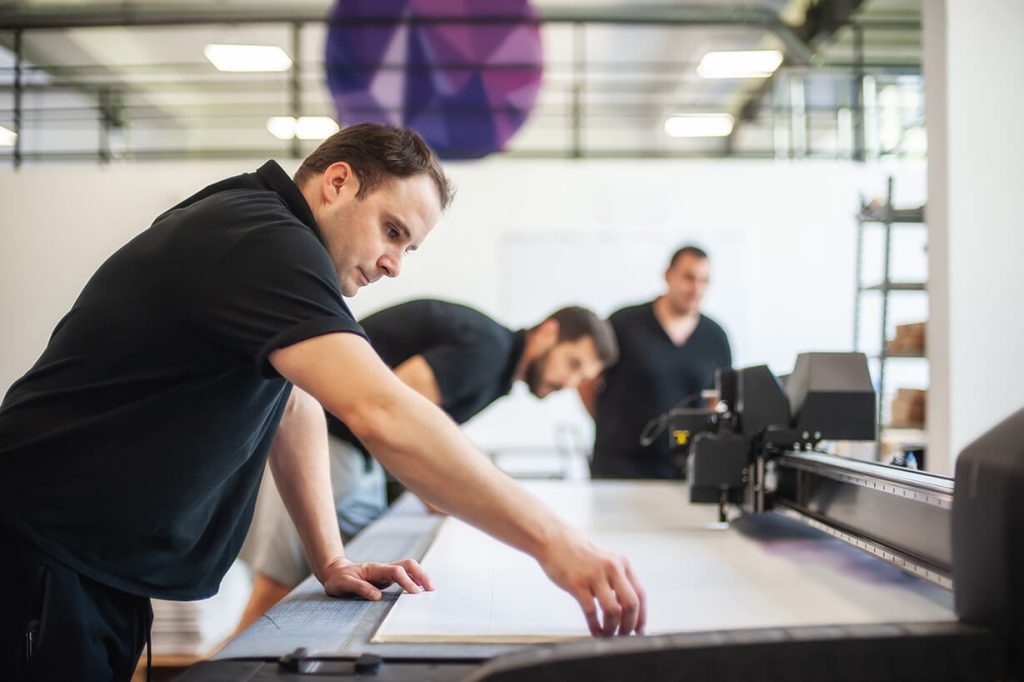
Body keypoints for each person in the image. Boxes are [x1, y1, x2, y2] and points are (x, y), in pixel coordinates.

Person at [0, 124, 645, 680]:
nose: (395, 264)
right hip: (41, 548)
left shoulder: (267, 240)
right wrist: (556, 542)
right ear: (337, 183)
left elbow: (293, 404)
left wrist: (329, 557)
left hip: (89, 561)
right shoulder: (265, 240)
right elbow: (384, 412)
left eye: (409, 249)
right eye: (392, 231)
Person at [238, 299, 619, 628]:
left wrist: (433, 489)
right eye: (573, 364)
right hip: (321, 439)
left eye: (582, 376)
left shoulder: (496, 365)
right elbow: (397, 408)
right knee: (276, 595)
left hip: (351, 452)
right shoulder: (488, 349)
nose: (571, 383)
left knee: (316, 593)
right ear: (548, 332)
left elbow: (416, 423)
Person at [580, 245, 732, 479]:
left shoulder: (716, 337)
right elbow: (587, 380)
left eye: (705, 281)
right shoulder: (624, 323)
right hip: (619, 466)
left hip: (683, 469)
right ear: (668, 275)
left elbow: (717, 401)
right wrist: (608, 425)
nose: (696, 288)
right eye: (689, 278)